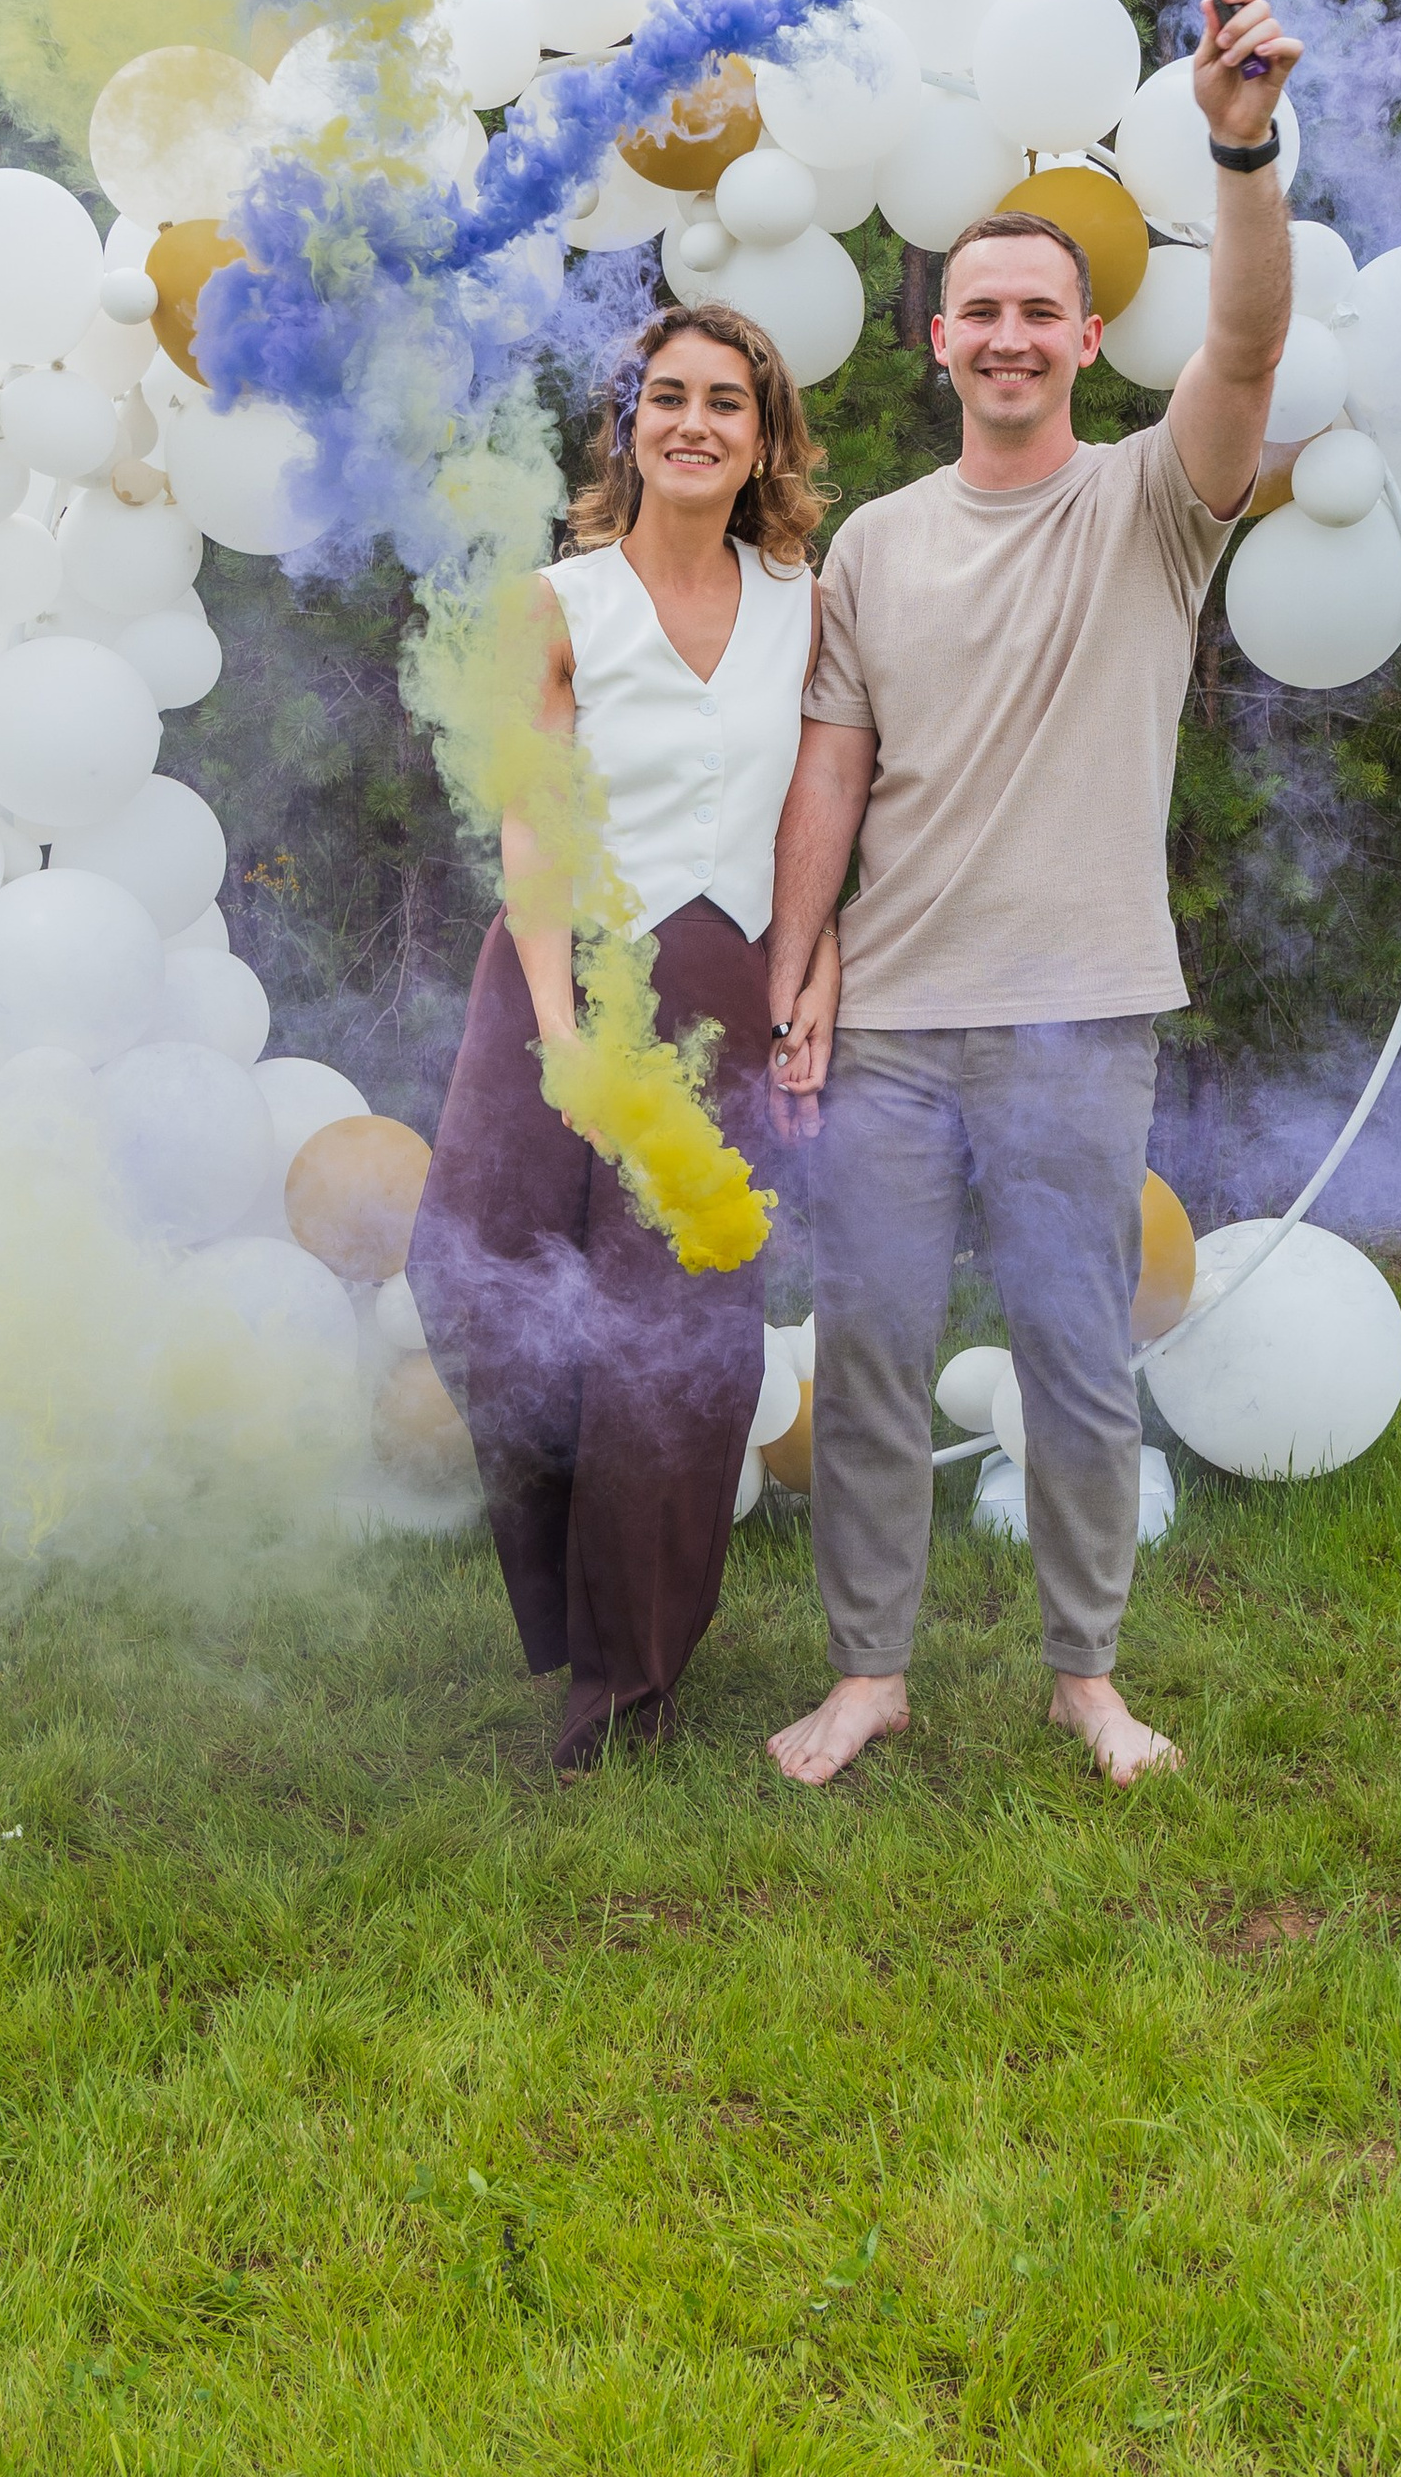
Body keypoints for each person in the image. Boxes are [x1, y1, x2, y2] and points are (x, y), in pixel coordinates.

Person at [761, 0, 1302, 1787]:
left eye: (1037, 313)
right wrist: (799, 969)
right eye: (979, 311)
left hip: (1080, 1015)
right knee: (870, 1354)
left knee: (1076, 1355)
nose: (1007, 336)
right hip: (894, 1028)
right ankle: (869, 1677)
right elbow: (834, 768)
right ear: (937, 342)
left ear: (1088, 339)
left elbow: (1246, 354)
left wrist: (1238, 154)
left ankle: (1088, 1678)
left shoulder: (1153, 507)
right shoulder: (872, 544)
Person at [412, 302, 836, 1773]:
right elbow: (531, 821)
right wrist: (558, 1037)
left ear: (765, 438)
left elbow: (831, 804)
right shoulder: (559, 602)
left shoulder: (805, 601)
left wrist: (816, 968)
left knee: (675, 1332)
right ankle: (567, 1601)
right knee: (474, 1280)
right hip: (560, 973)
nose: (694, 422)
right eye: (668, 396)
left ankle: (630, 1679)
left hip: (720, 985)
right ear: (629, 426)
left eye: (728, 400)